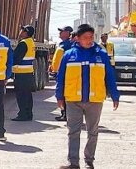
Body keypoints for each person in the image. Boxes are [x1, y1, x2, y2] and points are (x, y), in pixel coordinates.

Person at [55, 24, 120, 169]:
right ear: (77, 38)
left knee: (93, 132)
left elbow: (109, 76)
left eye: (91, 37)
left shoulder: (101, 54)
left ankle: (89, 160)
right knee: (73, 131)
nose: (89, 40)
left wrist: (115, 95)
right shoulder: (69, 55)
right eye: (86, 38)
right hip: (73, 100)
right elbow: (61, 77)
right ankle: (73, 162)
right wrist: (59, 96)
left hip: (94, 101)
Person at [11, 25, 36, 121]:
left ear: (26, 32)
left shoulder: (23, 43)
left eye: (22, 30)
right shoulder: (31, 42)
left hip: (21, 74)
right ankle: (28, 114)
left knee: (21, 96)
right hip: (28, 73)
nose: (20, 32)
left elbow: (16, 58)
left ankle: (23, 115)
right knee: (28, 95)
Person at [51, 26, 74, 121]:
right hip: (59, 72)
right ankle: (64, 113)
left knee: (64, 94)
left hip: (65, 73)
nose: (60, 33)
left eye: (62, 31)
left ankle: (66, 114)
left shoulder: (69, 45)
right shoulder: (62, 44)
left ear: (68, 33)